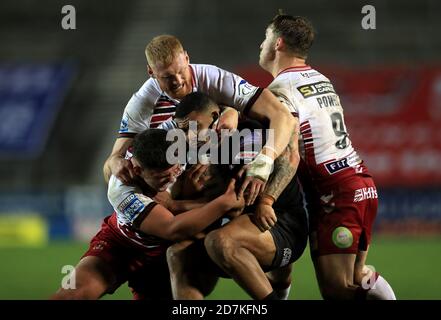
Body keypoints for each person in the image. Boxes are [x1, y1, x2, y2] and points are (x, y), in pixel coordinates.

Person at [257, 12, 396, 300]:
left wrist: (266, 195)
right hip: (360, 183)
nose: (261, 45)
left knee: (338, 291)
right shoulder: (320, 78)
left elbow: (289, 145)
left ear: (278, 43)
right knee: (358, 278)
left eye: (265, 38)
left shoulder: (281, 88)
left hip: (334, 195)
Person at [51, 129, 244, 300]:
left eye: (176, 169)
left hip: (165, 256)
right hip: (122, 246)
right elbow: (172, 228)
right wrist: (223, 204)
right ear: (137, 170)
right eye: (162, 177)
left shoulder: (177, 144)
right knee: (71, 295)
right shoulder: (121, 188)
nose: (171, 178)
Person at [103, 34, 296, 205]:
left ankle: (265, 206)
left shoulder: (215, 79)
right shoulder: (143, 102)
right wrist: (115, 163)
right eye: (168, 77)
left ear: (187, 58)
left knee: (286, 131)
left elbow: (282, 116)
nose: (177, 81)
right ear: (151, 72)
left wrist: (262, 163)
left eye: (181, 71)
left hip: (224, 170)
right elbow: (110, 168)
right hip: (176, 185)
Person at [166, 92, 308, 300]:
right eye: (185, 130)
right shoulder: (201, 148)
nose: (191, 136)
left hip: (281, 225)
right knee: (177, 254)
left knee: (219, 241)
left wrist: (176, 206)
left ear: (216, 117)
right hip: (244, 226)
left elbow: (237, 203)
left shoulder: (246, 137)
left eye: (195, 127)